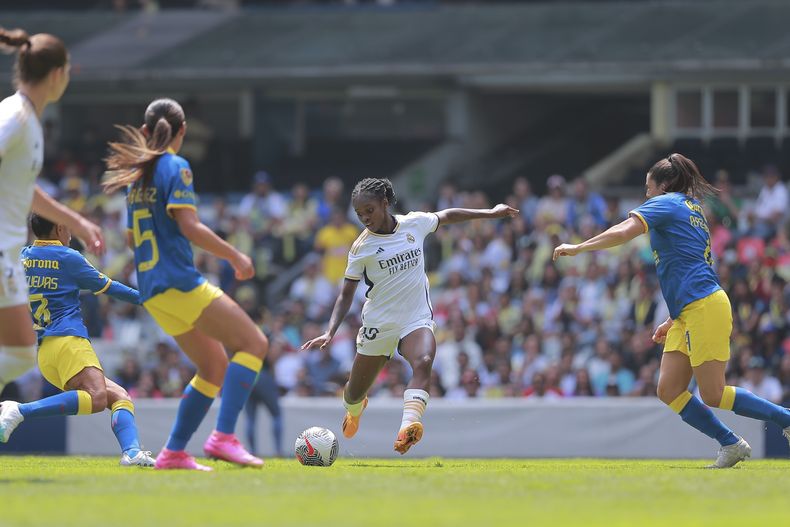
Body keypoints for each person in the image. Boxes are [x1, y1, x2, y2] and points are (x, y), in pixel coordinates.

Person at [553, 153, 790, 468]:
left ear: (663, 186)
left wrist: (579, 247)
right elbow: (689, 267)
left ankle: (786, 418)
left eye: (648, 187)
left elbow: (623, 231)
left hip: (704, 306)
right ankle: (730, 443)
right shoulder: (691, 208)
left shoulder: (665, 203)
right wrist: (672, 317)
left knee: (713, 393)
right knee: (669, 389)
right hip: (690, 309)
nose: (646, 193)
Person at [102, 98, 268, 471]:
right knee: (254, 343)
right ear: (183, 131)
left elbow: (130, 239)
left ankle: (174, 452)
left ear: (145, 131)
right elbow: (190, 226)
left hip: (152, 289)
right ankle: (224, 437)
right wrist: (235, 256)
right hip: (178, 281)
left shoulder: (136, 177)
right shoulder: (176, 167)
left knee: (213, 365)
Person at [302, 178, 518, 454]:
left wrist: (490, 213)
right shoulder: (361, 247)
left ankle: (408, 427)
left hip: (415, 318)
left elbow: (448, 215)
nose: (364, 218)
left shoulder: (414, 223)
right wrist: (330, 331)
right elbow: (346, 295)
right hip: (379, 324)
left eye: (369, 210)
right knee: (353, 394)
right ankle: (355, 408)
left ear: (384, 203)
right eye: (359, 214)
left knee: (424, 360)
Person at [0, 215, 153, 466]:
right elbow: (109, 287)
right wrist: (148, 300)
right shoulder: (68, 257)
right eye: (69, 228)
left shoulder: (23, 257)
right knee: (97, 398)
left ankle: (132, 452)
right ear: (59, 228)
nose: (71, 234)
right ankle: (20, 410)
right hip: (68, 341)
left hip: (46, 352)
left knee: (119, 396)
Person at [0, 27, 104, 396]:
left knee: (19, 352)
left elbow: (25, 187)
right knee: (19, 353)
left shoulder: (27, 119)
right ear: (58, 73)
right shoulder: (16, 116)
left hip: (8, 253)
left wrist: (76, 221)